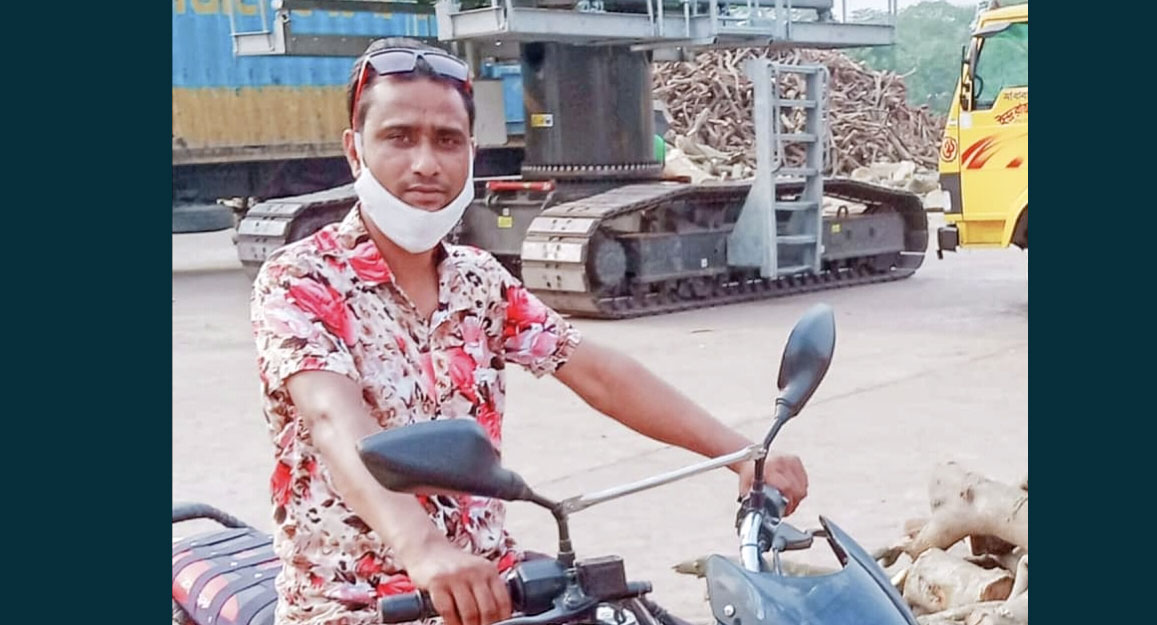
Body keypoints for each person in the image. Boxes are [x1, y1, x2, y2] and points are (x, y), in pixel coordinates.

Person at [249, 37, 809, 625]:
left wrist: (742, 455)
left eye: (447, 140)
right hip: (360, 605)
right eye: (399, 138)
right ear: (355, 151)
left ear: (471, 152)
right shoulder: (301, 279)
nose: (426, 164)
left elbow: (596, 371)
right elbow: (332, 418)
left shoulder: (478, 280)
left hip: (493, 587)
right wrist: (424, 548)